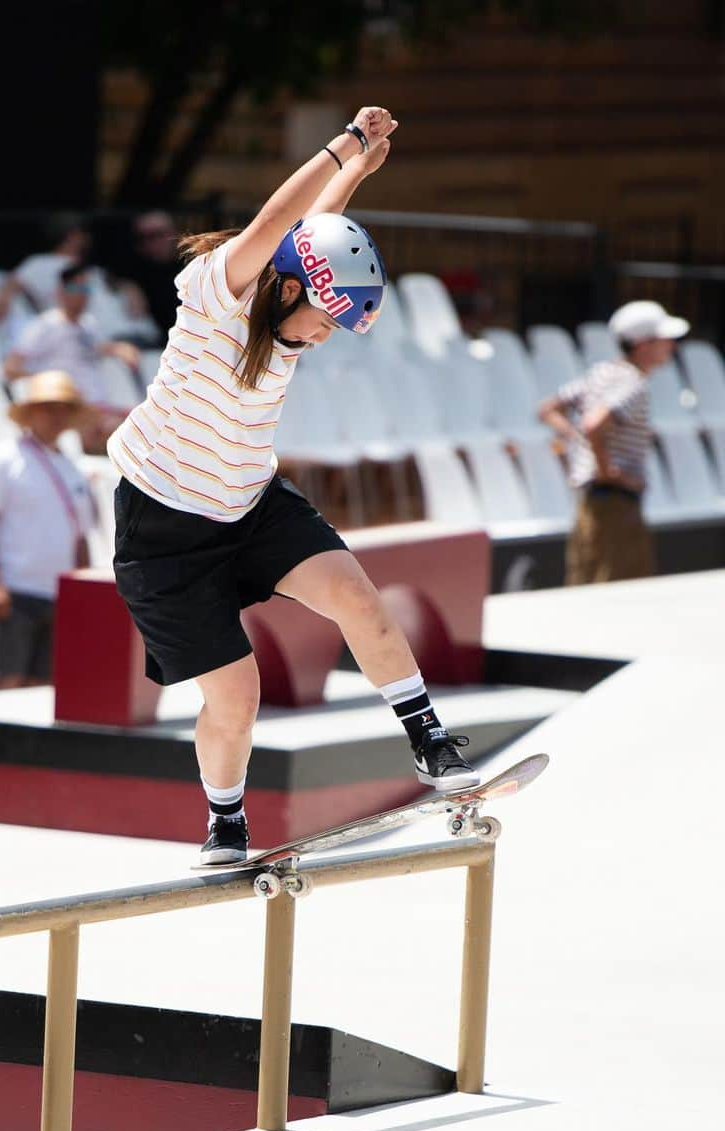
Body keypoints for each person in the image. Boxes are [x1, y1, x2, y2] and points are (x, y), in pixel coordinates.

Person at [108, 104, 480, 866]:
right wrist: (342, 142)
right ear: (284, 288)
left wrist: (356, 175)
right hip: (165, 529)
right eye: (323, 320)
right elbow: (280, 220)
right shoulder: (216, 297)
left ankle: (428, 741)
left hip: (250, 503)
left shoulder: (289, 302)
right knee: (235, 697)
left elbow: (313, 232)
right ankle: (225, 822)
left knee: (357, 598)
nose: (322, 336)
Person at [538, 299, 689, 586]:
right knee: (621, 589)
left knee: (586, 582)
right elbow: (594, 423)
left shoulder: (601, 373)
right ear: (644, 344)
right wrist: (608, 469)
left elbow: (548, 410)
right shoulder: (631, 382)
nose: (672, 346)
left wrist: (578, 441)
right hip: (614, 499)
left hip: (593, 498)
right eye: (665, 340)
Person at [0, 370, 97, 688]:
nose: (56, 417)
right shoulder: (4, 458)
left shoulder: (71, 468)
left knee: (43, 685)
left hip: (57, 594)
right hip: (16, 590)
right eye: (48, 408)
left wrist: (80, 591)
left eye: (63, 409)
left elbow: (79, 537)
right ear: (31, 413)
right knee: (4, 679)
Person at [3, 263, 141, 450]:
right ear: (60, 291)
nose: (82, 294)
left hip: (98, 409)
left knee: (149, 421)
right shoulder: (45, 326)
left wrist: (120, 348)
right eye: (76, 288)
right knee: (130, 433)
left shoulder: (88, 325)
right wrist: (51, 387)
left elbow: (97, 347)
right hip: (70, 411)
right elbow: (11, 368)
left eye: (86, 288)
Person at [115, 210, 181, 339]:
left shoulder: (191, 265)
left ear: (173, 233)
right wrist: (127, 285)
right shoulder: (133, 268)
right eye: (141, 237)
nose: (148, 242)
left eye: (156, 235)